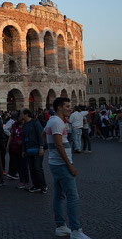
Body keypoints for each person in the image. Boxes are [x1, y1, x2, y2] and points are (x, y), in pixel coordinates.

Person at [43, 97, 91, 239]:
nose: (70, 108)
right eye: (67, 106)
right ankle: (76, 230)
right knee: (72, 197)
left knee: (59, 196)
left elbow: (44, 134)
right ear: (59, 107)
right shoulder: (57, 122)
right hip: (62, 164)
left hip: (55, 163)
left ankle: (61, 226)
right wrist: (69, 165)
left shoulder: (52, 120)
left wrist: (49, 148)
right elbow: (58, 144)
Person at [21, 109, 47, 193]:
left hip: (37, 148)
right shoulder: (24, 124)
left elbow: (41, 135)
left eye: (21, 114)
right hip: (29, 149)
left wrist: (41, 147)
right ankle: (36, 185)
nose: (20, 116)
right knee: (31, 168)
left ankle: (43, 186)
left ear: (26, 114)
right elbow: (24, 138)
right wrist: (23, 150)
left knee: (37, 167)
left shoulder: (35, 122)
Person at [6, 113, 29, 190]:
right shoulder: (14, 125)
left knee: (24, 166)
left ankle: (26, 182)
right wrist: (8, 145)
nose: (21, 119)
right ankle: (22, 182)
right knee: (19, 165)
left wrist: (22, 142)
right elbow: (11, 135)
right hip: (15, 148)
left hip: (23, 149)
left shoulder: (27, 125)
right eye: (20, 118)